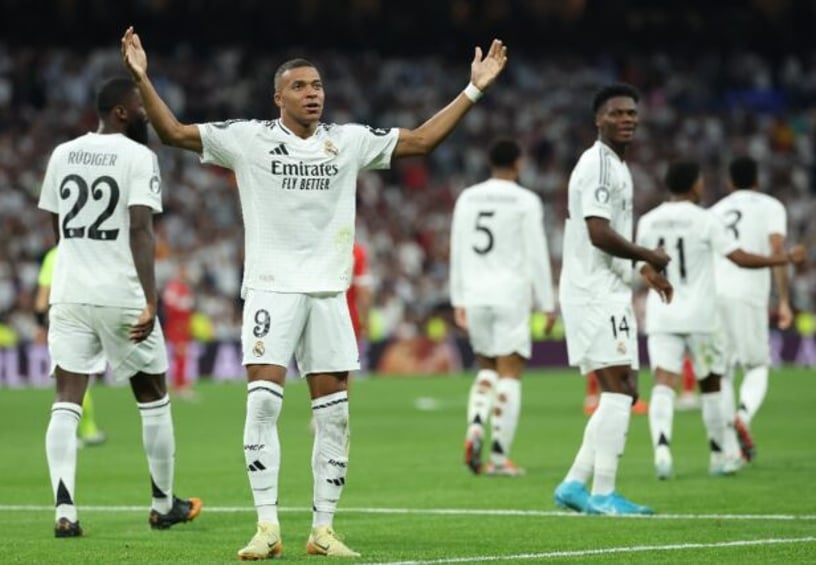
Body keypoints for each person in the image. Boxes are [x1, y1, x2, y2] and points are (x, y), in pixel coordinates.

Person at [121, 26, 507, 560]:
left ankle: (323, 530)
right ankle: (266, 526)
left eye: (317, 85)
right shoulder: (247, 138)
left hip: (328, 293)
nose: (312, 93)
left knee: (334, 415)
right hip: (271, 290)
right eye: (299, 86)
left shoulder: (348, 141)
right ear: (277, 97)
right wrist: (143, 78)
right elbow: (172, 133)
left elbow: (421, 140)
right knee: (262, 403)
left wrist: (474, 89)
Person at [38, 77, 202, 538]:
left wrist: (77, 261)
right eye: (140, 107)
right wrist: (150, 298)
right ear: (121, 112)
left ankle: (65, 511)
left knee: (67, 398)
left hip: (70, 292)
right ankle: (163, 504)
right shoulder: (138, 157)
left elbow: (55, 223)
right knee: (153, 396)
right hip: (121, 293)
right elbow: (141, 230)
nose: (146, 114)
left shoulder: (63, 153)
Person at [636, 160, 805, 479]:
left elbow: (641, 265)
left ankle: (662, 450)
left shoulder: (648, 220)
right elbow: (739, 258)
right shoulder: (705, 219)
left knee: (663, 381)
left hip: (662, 314)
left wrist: (652, 276)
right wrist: (783, 257)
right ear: (694, 185)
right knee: (712, 383)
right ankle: (718, 456)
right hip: (701, 316)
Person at [552, 83, 673, 516]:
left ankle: (574, 484)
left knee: (625, 389)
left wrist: (643, 271)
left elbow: (610, 238)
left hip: (608, 289)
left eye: (632, 113)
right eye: (617, 113)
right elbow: (598, 232)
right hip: (592, 292)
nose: (627, 120)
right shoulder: (599, 165)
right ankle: (602, 493)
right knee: (619, 389)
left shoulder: (619, 167)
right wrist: (648, 254)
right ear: (598, 119)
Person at [449, 138, 556, 477]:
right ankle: (498, 456)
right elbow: (537, 253)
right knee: (510, 373)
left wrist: (458, 298)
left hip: (475, 294)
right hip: (510, 295)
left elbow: (457, 248)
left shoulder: (468, 197)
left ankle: (475, 425)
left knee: (487, 368)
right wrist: (548, 303)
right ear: (519, 163)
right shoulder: (525, 200)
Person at [711, 156, 796, 462]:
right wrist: (783, 300)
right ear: (757, 180)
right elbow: (777, 251)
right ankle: (743, 416)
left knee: (722, 372)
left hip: (715, 294)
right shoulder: (772, 207)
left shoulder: (715, 211)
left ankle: (729, 448)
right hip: (748, 294)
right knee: (757, 366)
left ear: (729, 182)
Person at [35, 246, 107, 448]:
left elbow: (42, 296)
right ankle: (86, 431)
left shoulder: (54, 255)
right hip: (89, 317)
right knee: (80, 378)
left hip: (63, 321)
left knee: (67, 381)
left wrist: (39, 324)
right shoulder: (91, 248)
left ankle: (73, 434)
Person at [162, 261, 195, 397]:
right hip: (176, 327)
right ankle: (179, 386)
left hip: (184, 326)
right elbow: (170, 306)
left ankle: (180, 383)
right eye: (183, 272)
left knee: (182, 356)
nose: (186, 274)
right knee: (180, 355)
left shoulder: (184, 288)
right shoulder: (173, 288)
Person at [346, 242, 373, 369]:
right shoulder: (356, 251)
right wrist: (366, 321)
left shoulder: (322, 246)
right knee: (347, 362)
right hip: (348, 314)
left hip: (320, 312)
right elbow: (363, 291)